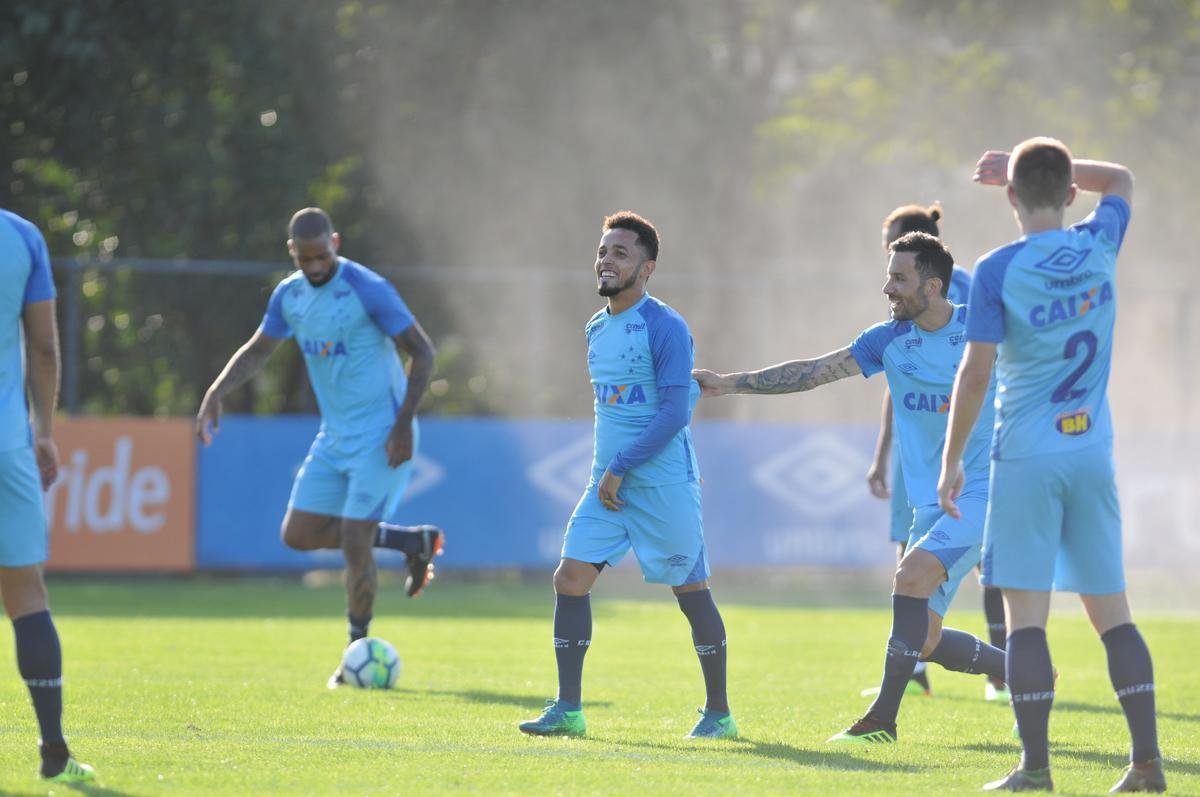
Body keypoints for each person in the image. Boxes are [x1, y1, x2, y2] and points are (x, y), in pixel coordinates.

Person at [694, 231, 1007, 744]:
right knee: (923, 638)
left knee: (908, 578)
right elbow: (813, 373)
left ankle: (880, 722)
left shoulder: (981, 327)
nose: (887, 288)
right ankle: (1023, 671)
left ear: (932, 286)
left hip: (985, 491)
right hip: (932, 502)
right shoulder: (887, 340)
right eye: (888, 276)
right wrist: (732, 382)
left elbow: (1042, 364)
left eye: (898, 278)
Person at [938, 139, 1164, 792]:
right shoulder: (1097, 242)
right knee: (1114, 615)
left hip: (1026, 457)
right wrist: (1029, 157)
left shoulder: (997, 267)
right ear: (1069, 195)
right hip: (1091, 452)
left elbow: (976, 372)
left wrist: (951, 459)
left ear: (1009, 195)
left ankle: (1036, 769)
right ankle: (1146, 764)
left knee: (1024, 619)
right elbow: (1121, 174)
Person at [196, 208, 444, 688]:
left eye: (322, 256)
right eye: (305, 258)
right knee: (299, 535)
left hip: (383, 434)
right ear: (293, 252)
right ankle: (409, 542)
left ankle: (355, 652)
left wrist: (403, 424)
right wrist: (215, 392)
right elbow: (259, 349)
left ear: (336, 242)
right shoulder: (289, 296)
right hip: (334, 438)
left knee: (354, 539)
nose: (315, 267)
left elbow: (424, 351)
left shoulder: (367, 288)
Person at [518, 211, 735, 739]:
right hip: (608, 483)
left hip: (659, 482)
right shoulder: (596, 326)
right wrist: (609, 470)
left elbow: (673, 412)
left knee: (692, 590)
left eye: (620, 253)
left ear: (647, 267)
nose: (606, 261)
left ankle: (719, 714)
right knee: (570, 578)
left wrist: (620, 466)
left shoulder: (665, 326)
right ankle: (569, 709)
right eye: (602, 251)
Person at [864, 203, 1007, 702]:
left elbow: (980, 373)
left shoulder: (970, 299)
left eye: (895, 261)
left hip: (976, 473)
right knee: (918, 606)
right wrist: (883, 451)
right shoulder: (894, 332)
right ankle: (1006, 669)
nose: (887, 281)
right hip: (923, 466)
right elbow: (898, 377)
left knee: (975, 569)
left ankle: (884, 717)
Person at [0, 208, 95, 782]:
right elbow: (44, 351)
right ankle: (54, 750)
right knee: (27, 598)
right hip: (7, 446)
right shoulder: (21, 236)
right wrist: (44, 433)